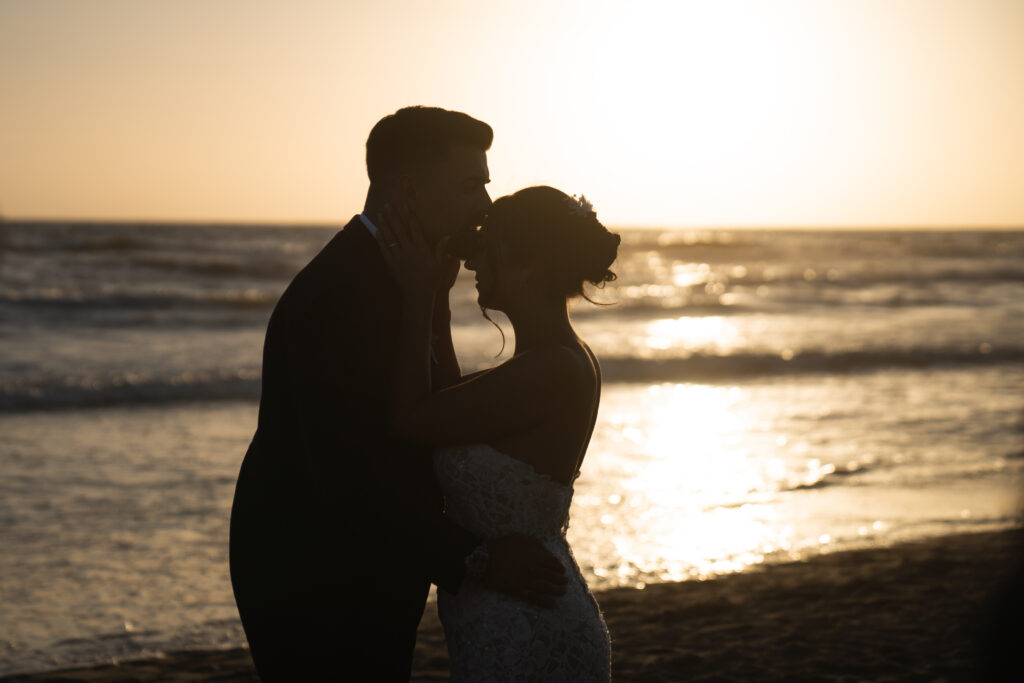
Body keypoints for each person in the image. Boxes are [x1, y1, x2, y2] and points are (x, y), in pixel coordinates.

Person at [228, 107, 567, 681]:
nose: (484, 205)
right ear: (409, 190)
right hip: (314, 576)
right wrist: (476, 557)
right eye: (470, 186)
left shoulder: (412, 279)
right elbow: (346, 473)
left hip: (370, 564)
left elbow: (435, 412)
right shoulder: (339, 293)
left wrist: (431, 300)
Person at [375, 185, 619, 680]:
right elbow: (444, 404)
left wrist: (420, 297)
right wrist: (436, 303)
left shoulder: (550, 368)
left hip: (527, 623)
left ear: (530, 265)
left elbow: (411, 419)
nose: (474, 263)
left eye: (492, 247)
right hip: (512, 611)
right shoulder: (549, 358)